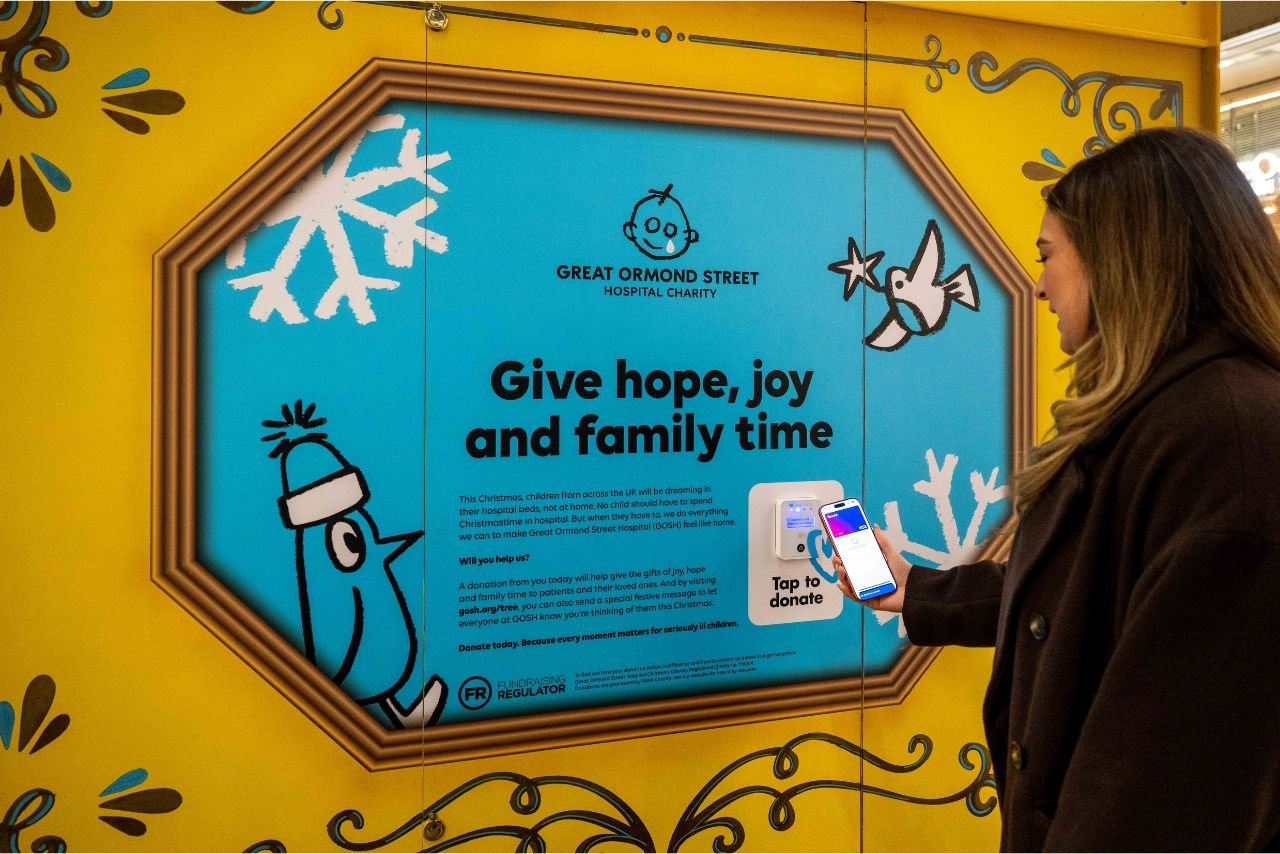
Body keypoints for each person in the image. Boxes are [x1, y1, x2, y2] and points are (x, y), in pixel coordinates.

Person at [834, 127, 1280, 851]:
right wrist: (919, 591)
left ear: (1122, 256)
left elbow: (1170, 776)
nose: (1038, 285)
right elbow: (1088, 589)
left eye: (1048, 255)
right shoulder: (1161, 414)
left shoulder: (1228, 441)